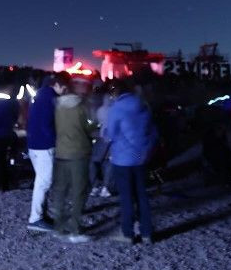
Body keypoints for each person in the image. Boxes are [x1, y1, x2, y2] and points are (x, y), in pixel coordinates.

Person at [105, 80, 158, 244]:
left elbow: (110, 134)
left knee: (127, 197)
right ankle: (147, 233)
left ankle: (127, 233)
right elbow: (153, 130)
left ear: (115, 93)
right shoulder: (143, 105)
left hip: (123, 159)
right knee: (142, 195)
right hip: (141, 157)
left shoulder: (116, 109)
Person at [51, 74, 96, 242]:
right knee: (78, 191)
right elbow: (88, 127)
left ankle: (58, 227)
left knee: (60, 190)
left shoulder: (58, 106)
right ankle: (75, 231)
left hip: (61, 152)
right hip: (78, 153)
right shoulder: (82, 107)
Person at [26, 75, 62, 232]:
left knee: (41, 181)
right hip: (44, 146)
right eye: (64, 87)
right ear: (57, 85)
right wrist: (56, 141)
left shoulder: (39, 96)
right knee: (44, 182)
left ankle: (41, 215)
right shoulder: (51, 98)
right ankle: (36, 219)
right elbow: (48, 124)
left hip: (33, 144)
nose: (65, 90)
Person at [89, 90, 115, 198]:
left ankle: (94, 186)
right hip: (111, 138)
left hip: (101, 137)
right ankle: (105, 187)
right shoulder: (115, 110)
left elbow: (95, 122)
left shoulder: (100, 110)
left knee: (94, 161)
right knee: (108, 163)